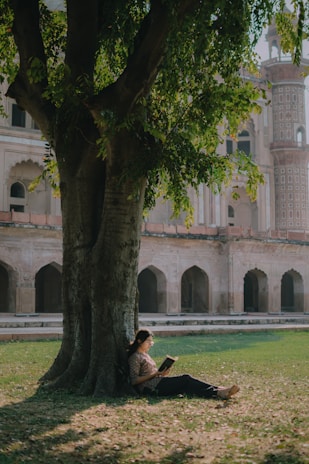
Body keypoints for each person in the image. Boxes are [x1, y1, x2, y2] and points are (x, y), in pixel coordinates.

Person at [128, 329, 240, 400]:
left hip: (157, 382)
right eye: (148, 341)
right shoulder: (135, 357)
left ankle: (219, 390)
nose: (150, 344)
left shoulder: (145, 355)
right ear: (139, 341)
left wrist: (162, 374)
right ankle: (218, 392)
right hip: (149, 388)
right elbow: (134, 381)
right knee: (185, 379)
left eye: (151, 342)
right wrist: (155, 374)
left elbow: (152, 374)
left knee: (187, 385)